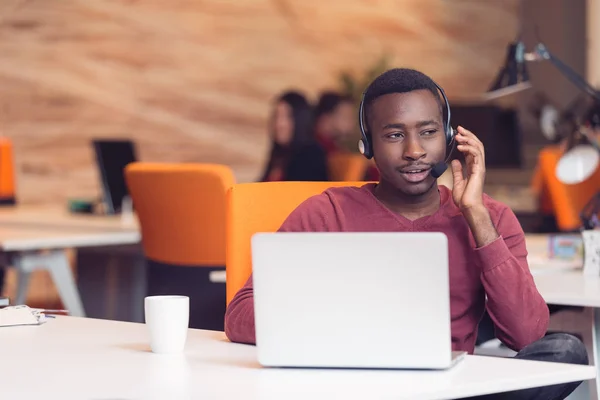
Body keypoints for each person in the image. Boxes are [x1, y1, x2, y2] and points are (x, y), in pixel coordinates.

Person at [227, 68, 588, 400]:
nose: (414, 151)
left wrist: (476, 217)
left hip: (451, 390)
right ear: (367, 145)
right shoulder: (326, 212)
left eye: (428, 132)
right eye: (395, 135)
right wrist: (340, 326)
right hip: (351, 386)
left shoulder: (490, 217)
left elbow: (526, 334)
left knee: (564, 352)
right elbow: (240, 314)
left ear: (448, 138)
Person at [259, 91, 329, 182]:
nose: (279, 124)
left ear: (300, 119)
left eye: (287, 117)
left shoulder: (312, 154)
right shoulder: (279, 154)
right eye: (276, 116)